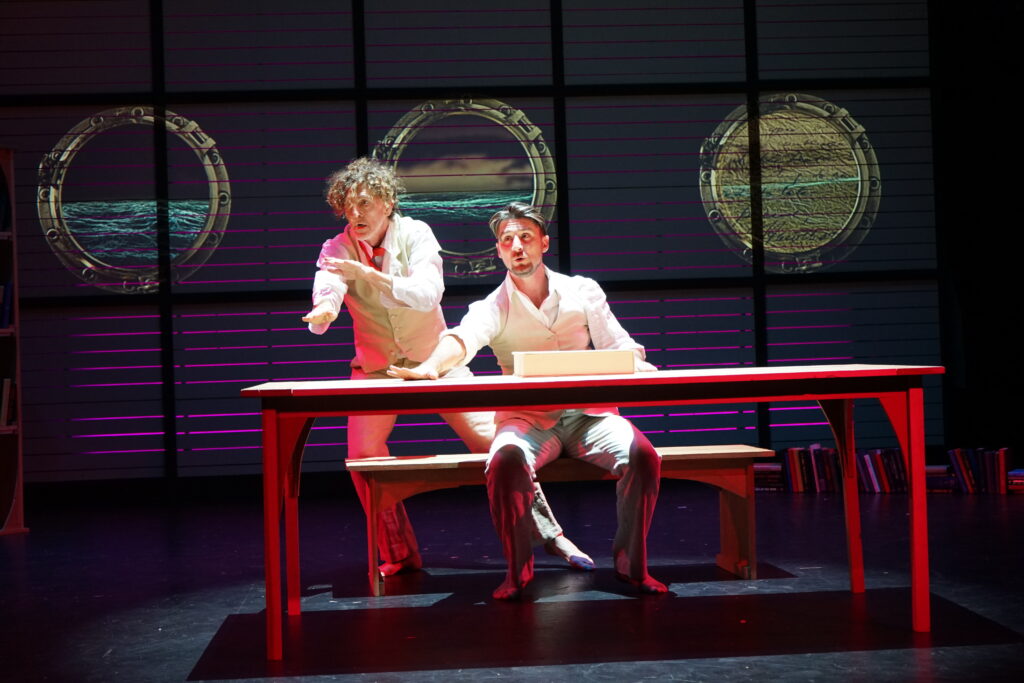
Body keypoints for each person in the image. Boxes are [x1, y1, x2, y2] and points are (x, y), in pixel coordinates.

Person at [301, 159, 591, 577]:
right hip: (376, 365)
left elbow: (426, 294)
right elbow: (328, 282)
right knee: (362, 457)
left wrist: (369, 275)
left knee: (498, 446)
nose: (355, 213)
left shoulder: (416, 234)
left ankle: (552, 535)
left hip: (435, 362)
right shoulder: (337, 246)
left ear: (387, 203)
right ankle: (399, 553)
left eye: (364, 203)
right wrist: (325, 308)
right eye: (348, 205)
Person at [389, 201, 667, 599]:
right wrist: (431, 367)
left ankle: (631, 565)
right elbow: (463, 338)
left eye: (525, 237)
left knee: (643, 456)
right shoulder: (493, 306)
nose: (517, 246)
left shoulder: (582, 291)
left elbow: (618, 344)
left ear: (543, 243)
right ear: (499, 251)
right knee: (504, 461)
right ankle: (518, 571)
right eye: (507, 240)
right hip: (528, 420)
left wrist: (638, 364)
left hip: (590, 416)